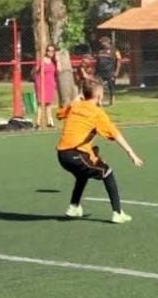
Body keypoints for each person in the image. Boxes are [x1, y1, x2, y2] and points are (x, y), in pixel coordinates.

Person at [57, 79, 142, 223]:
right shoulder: (97, 113)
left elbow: (59, 114)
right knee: (107, 172)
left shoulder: (75, 106)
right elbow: (115, 134)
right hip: (76, 154)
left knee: (82, 175)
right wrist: (131, 153)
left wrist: (74, 100)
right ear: (99, 97)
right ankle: (117, 213)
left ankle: (74, 207)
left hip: (62, 155)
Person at [34, 44, 58, 128]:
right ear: (46, 51)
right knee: (40, 103)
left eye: (52, 51)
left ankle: (50, 121)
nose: (50, 52)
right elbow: (36, 71)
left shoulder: (54, 61)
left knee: (49, 103)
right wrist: (38, 67)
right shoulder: (42, 60)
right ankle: (38, 122)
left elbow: (58, 71)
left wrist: (58, 61)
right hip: (41, 83)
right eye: (49, 50)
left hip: (50, 83)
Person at [94, 37, 121, 106]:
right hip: (100, 72)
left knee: (111, 86)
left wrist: (117, 71)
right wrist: (95, 70)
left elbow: (119, 60)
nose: (101, 43)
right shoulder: (100, 50)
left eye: (103, 42)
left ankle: (112, 100)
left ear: (107, 42)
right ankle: (99, 100)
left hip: (110, 72)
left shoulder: (114, 50)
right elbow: (97, 61)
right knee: (98, 86)